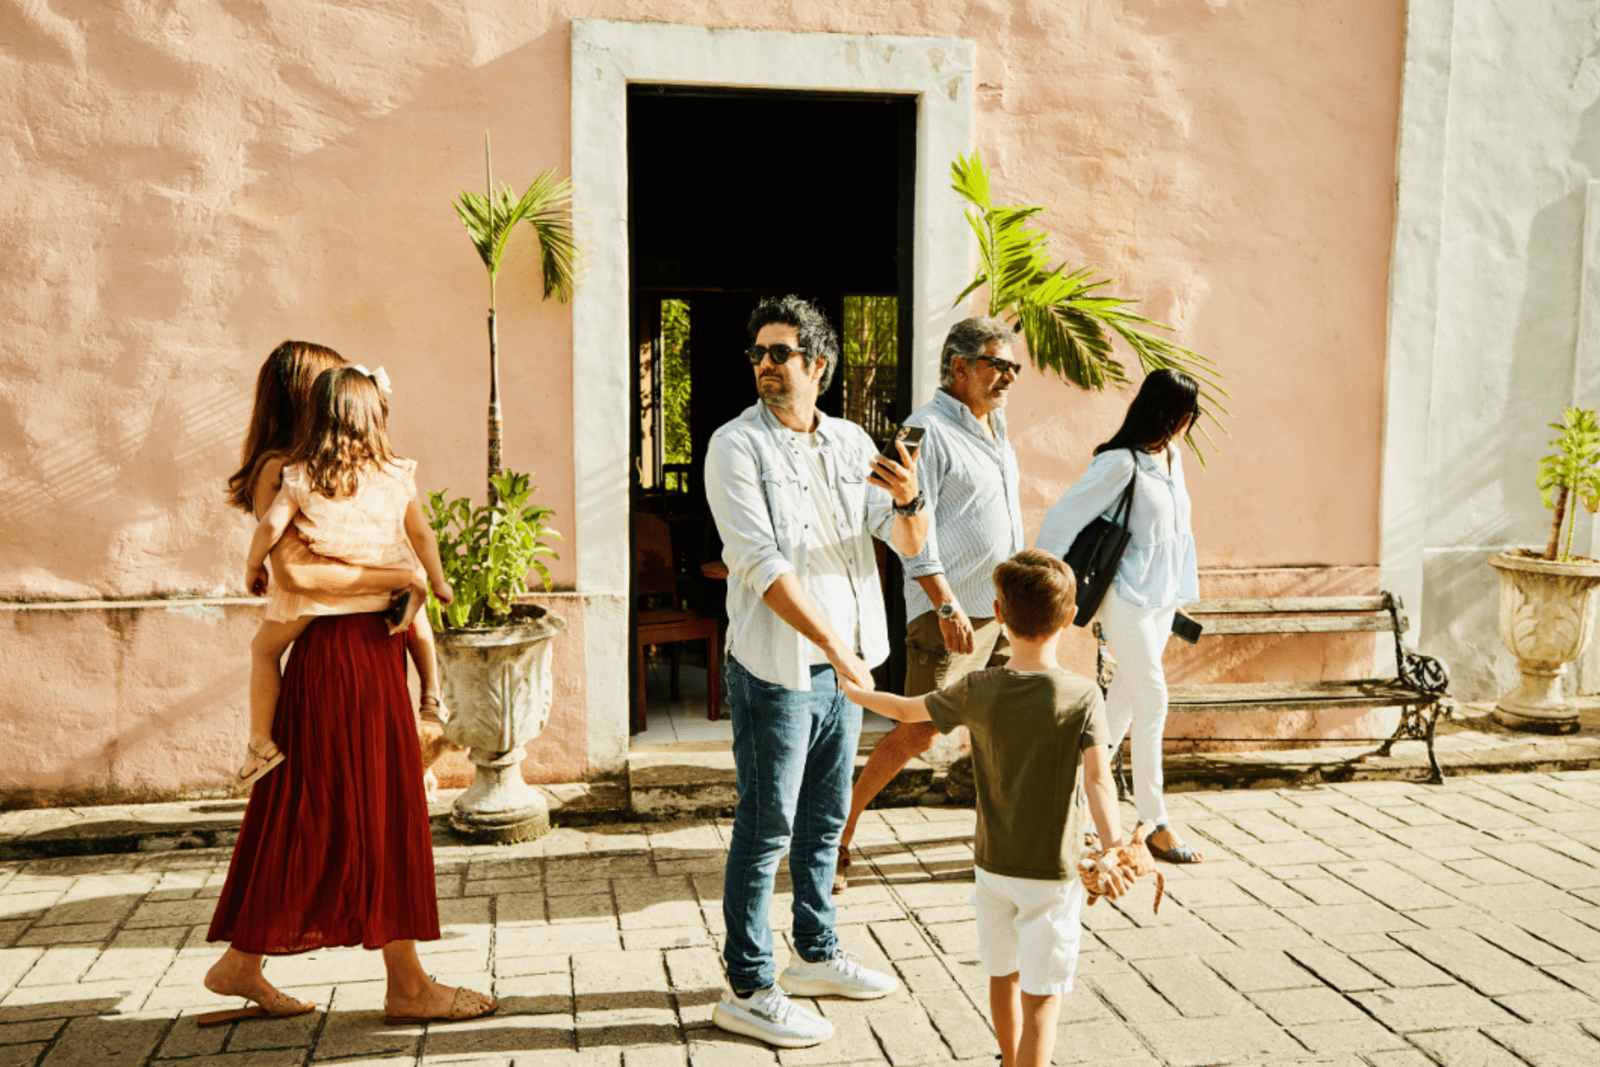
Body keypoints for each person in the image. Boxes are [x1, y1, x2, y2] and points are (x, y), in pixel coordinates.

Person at [203, 343, 495, 1028]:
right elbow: (301, 579)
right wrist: (405, 578)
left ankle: (243, 961)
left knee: (306, 811)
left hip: (350, 653)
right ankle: (408, 984)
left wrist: (410, 585)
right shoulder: (291, 471)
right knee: (380, 809)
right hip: (342, 657)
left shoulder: (324, 470)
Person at [703, 295, 929, 1048]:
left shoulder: (849, 440)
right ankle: (748, 983)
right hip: (779, 667)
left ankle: (816, 953)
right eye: (759, 353)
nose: (766, 364)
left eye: (781, 353)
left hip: (846, 668)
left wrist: (910, 498)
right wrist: (834, 644)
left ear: (819, 367)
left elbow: (896, 536)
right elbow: (763, 565)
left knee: (825, 821)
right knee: (767, 827)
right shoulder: (735, 447)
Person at [842, 550, 1130, 1067]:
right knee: (1042, 1001)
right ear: (1069, 619)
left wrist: (857, 692)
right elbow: (1099, 781)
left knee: (1003, 977)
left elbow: (908, 711)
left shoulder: (977, 687)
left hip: (992, 867)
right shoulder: (1083, 695)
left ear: (998, 614)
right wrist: (1114, 848)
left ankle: (1007, 1058)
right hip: (1053, 872)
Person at [836, 316, 1024, 893]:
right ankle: (836, 837)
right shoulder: (923, 432)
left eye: (1015, 368)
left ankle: (1003, 843)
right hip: (950, 613)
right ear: (960, 367)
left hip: (1001, 611)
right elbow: (909, 522)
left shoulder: (995, 426)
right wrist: (943, 604)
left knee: (999, 729)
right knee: (918, 730)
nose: (1009, 378)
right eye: (999, 365)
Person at [224, 342, 451, 788]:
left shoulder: (304, 473)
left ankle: (259, 743)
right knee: (416, 602)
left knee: (263, 649)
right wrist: (418, 577)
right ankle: (432, 698)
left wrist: (252, 565)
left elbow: (271, 531)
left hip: (334, 610)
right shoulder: (381, 470)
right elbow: (298, 572)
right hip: (359, 606)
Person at [1034, 368, 1204, 864]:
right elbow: (1063, 518)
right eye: (1187, 414)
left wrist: (1177, 594)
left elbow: (1175, 534)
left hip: (1161, 599)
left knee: (1125, 706)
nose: (1190, 423)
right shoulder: (1119, 463)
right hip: (1125, 598)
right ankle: (1154, 822)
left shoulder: (1171, 457)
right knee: (1153, 698)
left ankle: (1072, 804)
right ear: (1170, 414)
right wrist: (1041, 588)